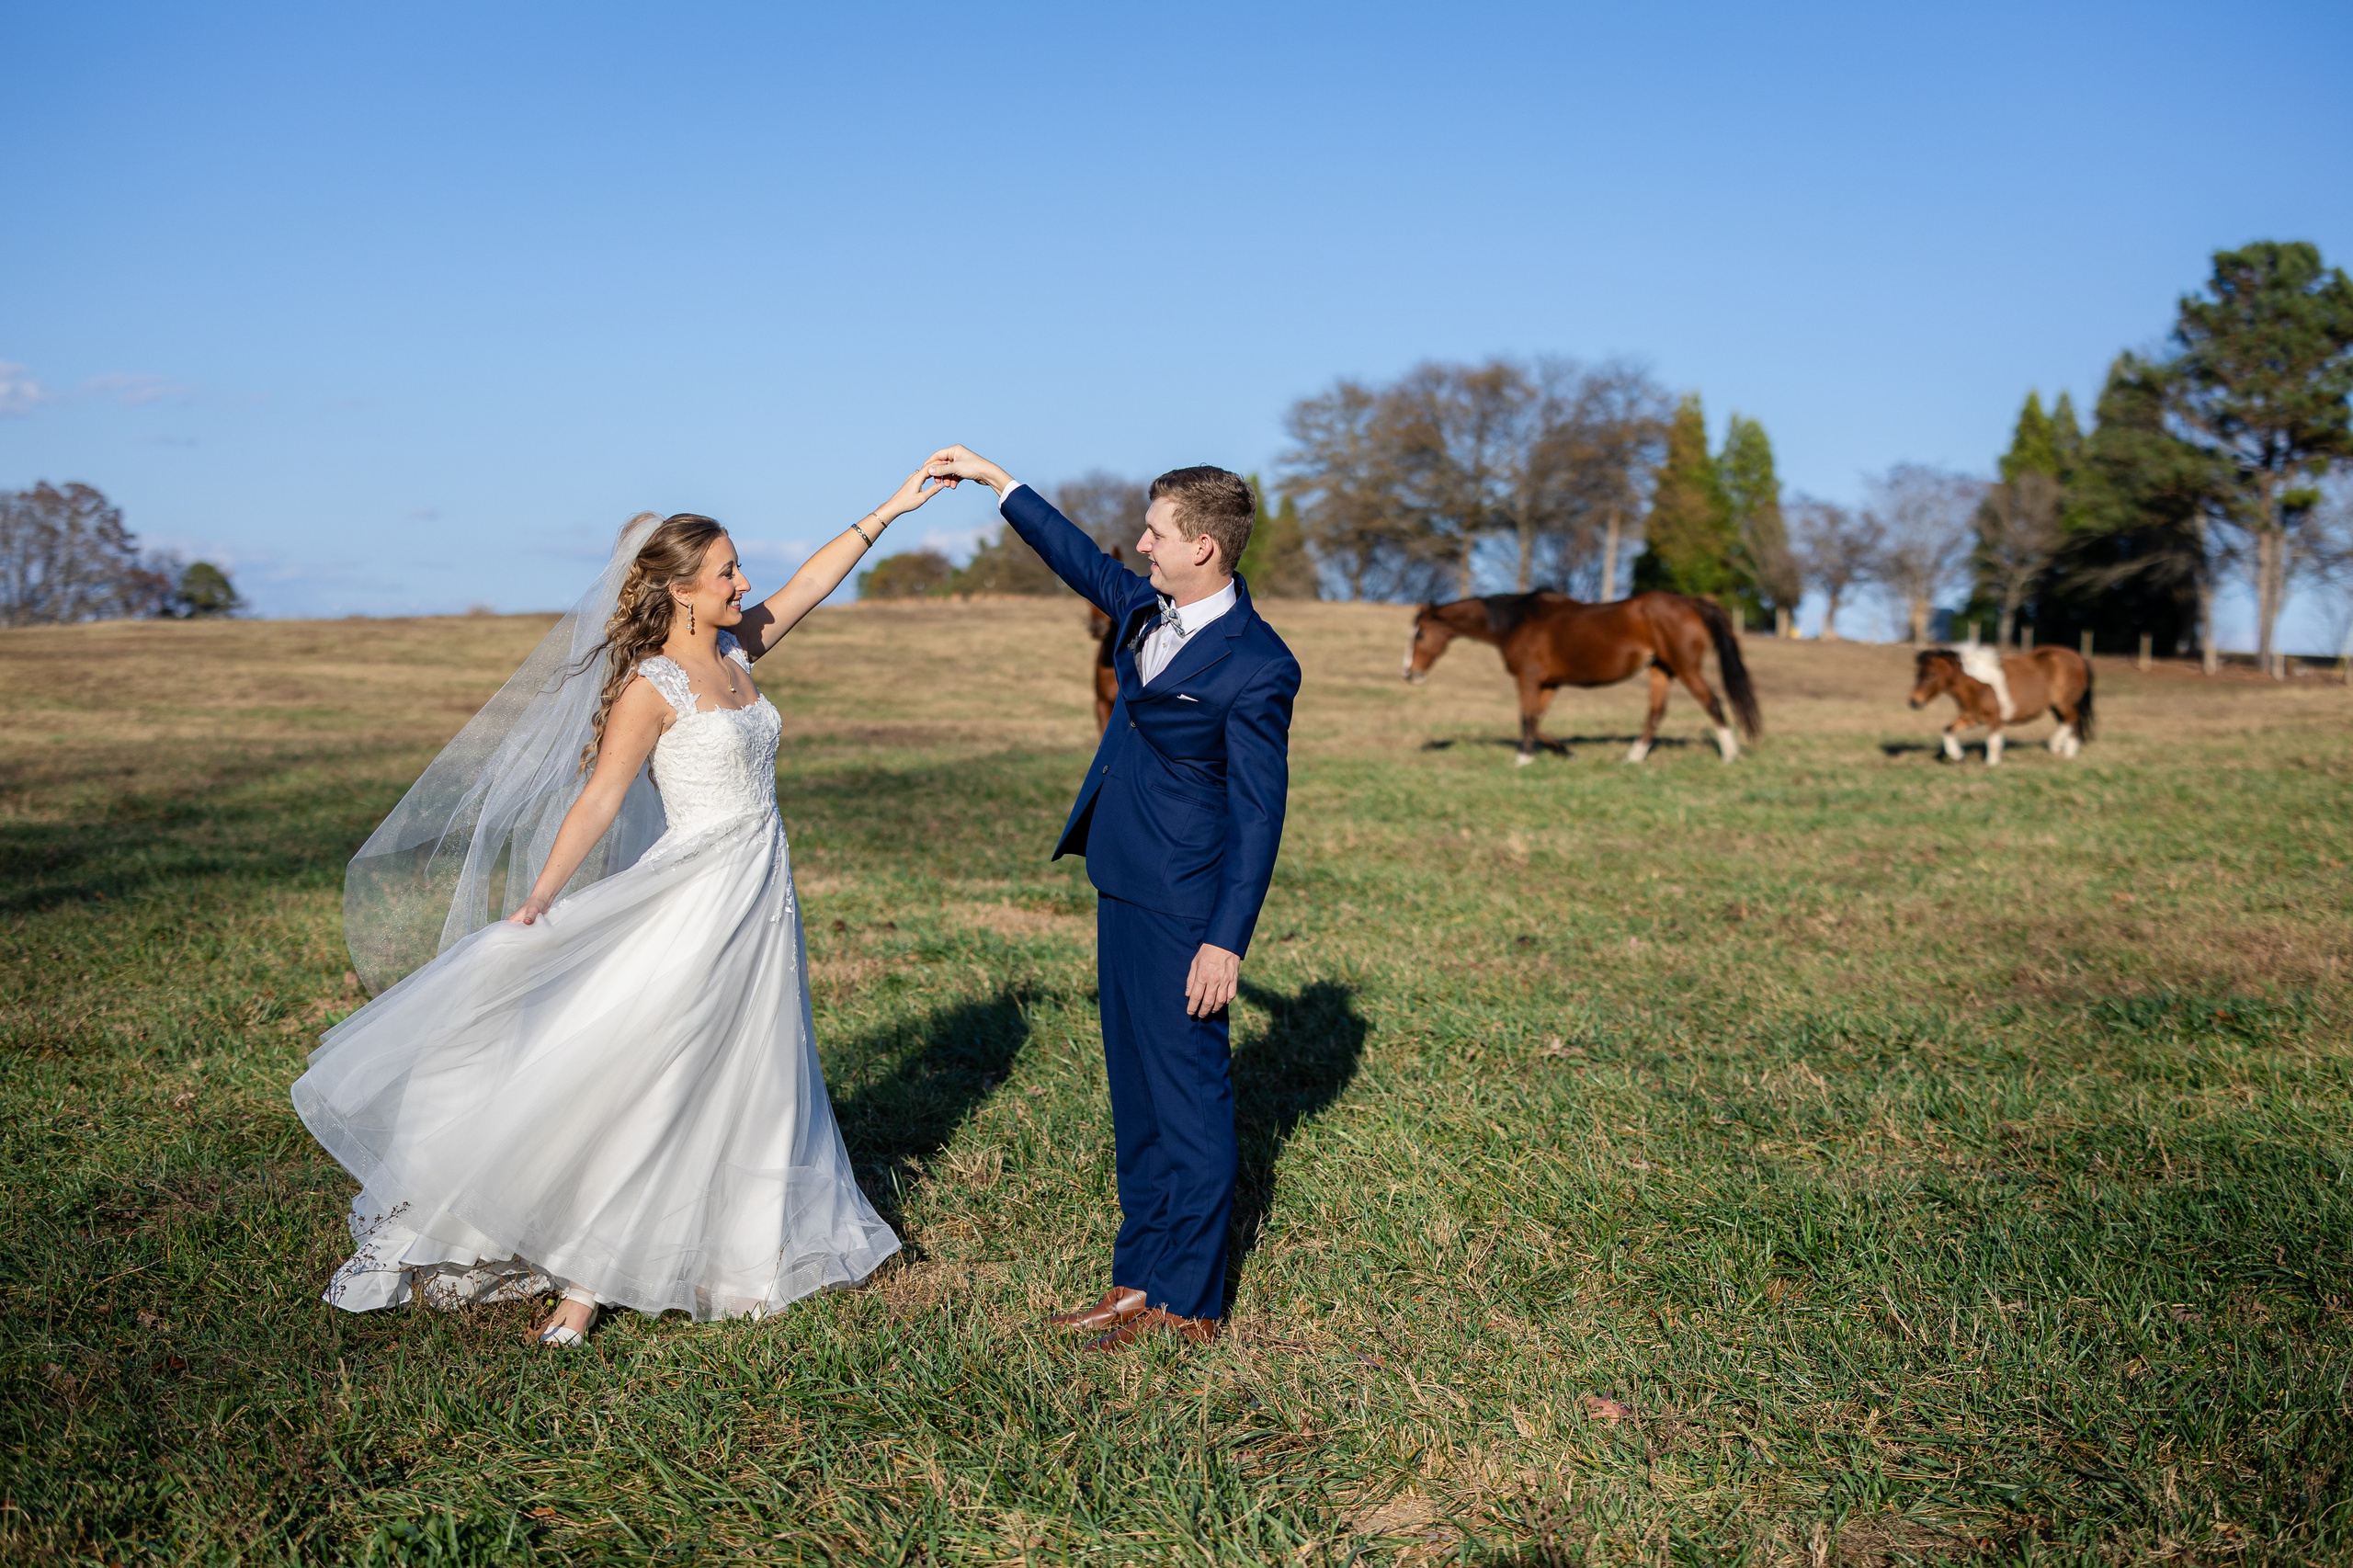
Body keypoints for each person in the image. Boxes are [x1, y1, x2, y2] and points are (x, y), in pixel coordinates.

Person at [291, 465, 952, 1346]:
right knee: (663, 1066)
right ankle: (585, 1279)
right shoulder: (654, 685)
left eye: (738, 567)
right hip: (695, 893)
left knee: (753, 1061)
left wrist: (891, 510)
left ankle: (739, 1250)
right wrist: (539, 899)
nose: (743, 583)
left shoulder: (736, 652)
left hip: (761, 889)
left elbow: (811, 585)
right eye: (726, 572)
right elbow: (600, 799)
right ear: (681, 591)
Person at [924, 446, 1300, 1351]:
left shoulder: (1259, 665)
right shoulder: (1142, 610)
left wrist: (1226, 941)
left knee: (1190, 1096)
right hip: (1119, 883)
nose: (1140, 544)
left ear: (1204, 546)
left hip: (1185, 907)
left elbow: (1258, 816)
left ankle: (1191, 1298)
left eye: (1157, 532)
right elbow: (1080, 558)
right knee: (1135, 1093)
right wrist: (997, 481)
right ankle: (1136, 1280)